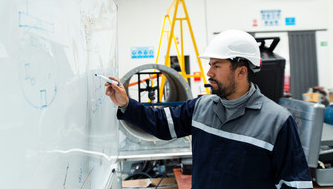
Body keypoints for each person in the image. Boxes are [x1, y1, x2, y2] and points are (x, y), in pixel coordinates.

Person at [104, 30, 313, 189]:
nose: (209, 72)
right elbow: (161, 123)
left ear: (241, 72)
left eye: (217, 66)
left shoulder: (277, 122)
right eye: (210, 64)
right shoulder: (201, 107)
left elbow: (295, 183)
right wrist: (125, 103)